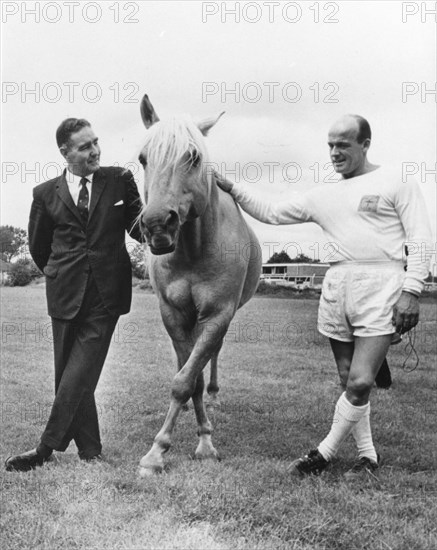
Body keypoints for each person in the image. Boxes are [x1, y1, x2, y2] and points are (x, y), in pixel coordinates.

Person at [215, 114, 432, 479]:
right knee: (348, 377)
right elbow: (272, 212)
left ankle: (322, 453)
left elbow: (422, 239)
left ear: (365, 144)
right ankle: (368, 457)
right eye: (330, 145)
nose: (334, 152)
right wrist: (233, 189)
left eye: (343, 144)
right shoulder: (323, 195)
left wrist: (411, 290)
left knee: (363, 380)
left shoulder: (396, 180)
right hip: (337, 286)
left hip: (383, 283)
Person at [5, 118, 143, 472]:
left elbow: (140, 229)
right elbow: (38, 247)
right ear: (65, 153)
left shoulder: (119, 180)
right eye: (85, 146)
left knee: (79, 371)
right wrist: (58, 271)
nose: (95, 150)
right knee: (69, 373)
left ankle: (45, 448)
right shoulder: (44, 194)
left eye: (96, 142)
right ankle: (90, 449)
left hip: (106, 295)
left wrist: (167, 220)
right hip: (64, 293)